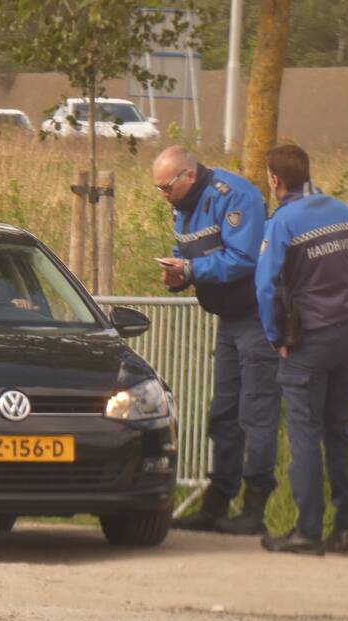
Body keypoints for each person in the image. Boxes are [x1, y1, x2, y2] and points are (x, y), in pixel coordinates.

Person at [152, 146, 281, 535]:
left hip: (257, 318)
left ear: (189, 175)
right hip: (228, 320)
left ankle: (254, 508)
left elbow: (245, 258)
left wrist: (191, 270)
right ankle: (217, 504)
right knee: (223, 413)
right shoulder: (184, 203)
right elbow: (187, 249)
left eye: (166, 187)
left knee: (256, 414)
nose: (163, 195)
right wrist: (177, 273)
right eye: (158, 188)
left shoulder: (235, 195)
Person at [255, 144, 348, 555]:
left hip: (306, 342)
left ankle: (307, 529)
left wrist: (276, 339)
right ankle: (345, 528)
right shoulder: (341, 211)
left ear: (275, 180)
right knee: (337, 432)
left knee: (305, 433)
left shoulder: (283, 222)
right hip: (345, 336)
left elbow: (266, 285)